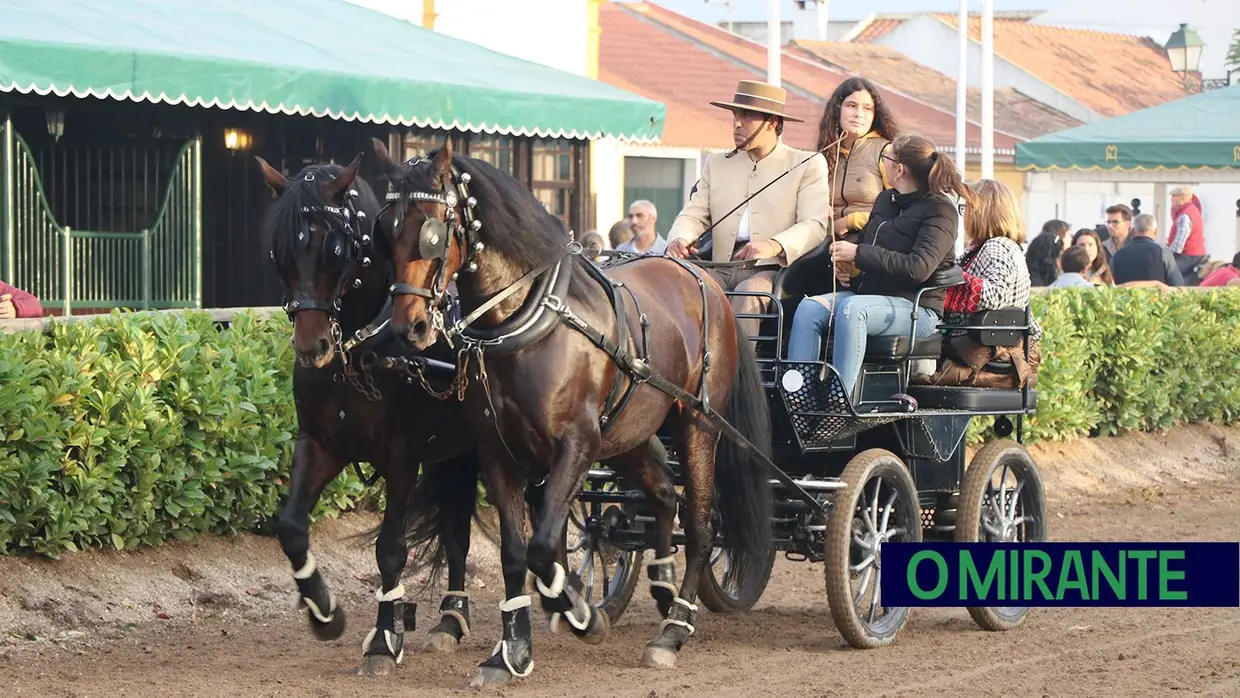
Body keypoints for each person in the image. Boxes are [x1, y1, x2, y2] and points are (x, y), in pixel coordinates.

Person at [785, 134, 965, 400]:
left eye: (885, 159)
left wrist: (859, 253)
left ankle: (839, 402)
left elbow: (919, 268)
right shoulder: (885, 200)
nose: (883, 165)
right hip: (869, 296)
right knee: (809, 307)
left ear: (899, 168)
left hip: (917, 308)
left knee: (852, 310)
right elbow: (870, 248)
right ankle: (797, 398)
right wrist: (849, 269)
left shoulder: (940, 211)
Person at [665, 79, 830, 340]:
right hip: (720, 265)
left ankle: (739, 379)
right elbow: (694, 212)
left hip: (772, 270)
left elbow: (815, 224)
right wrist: (679, 238)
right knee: (689, 291)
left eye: (747, 116)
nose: (736, 123)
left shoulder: (807, 164)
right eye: (735, 114)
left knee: (747, 294)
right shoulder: (718, 163)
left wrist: (773, 245)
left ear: (772, 122)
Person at [917, 178, 1042, 389]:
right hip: (982, 346)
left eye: (966, 207)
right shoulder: (992, 246)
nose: (963, 214)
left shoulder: (996, 246)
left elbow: (995, 295)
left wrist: (950, 279)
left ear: (980, 211)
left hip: (983, 350)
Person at [782, 77, 900, 299]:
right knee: (786, 288)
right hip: (823, 248)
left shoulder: (886, 152)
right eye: (851, 106)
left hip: (870, 249)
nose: (859, 114)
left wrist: (850, 221)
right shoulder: (824, 154)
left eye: (867, 109)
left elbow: (898, 213)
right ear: (837, 110)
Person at [1110, 213, 1185, 287]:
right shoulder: (1163, 252)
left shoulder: (1118, 254)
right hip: (1155, 298)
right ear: (1155, 231)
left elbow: (1111, 284)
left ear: (1133, 231)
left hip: (1124, 298)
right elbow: (1177, 283)